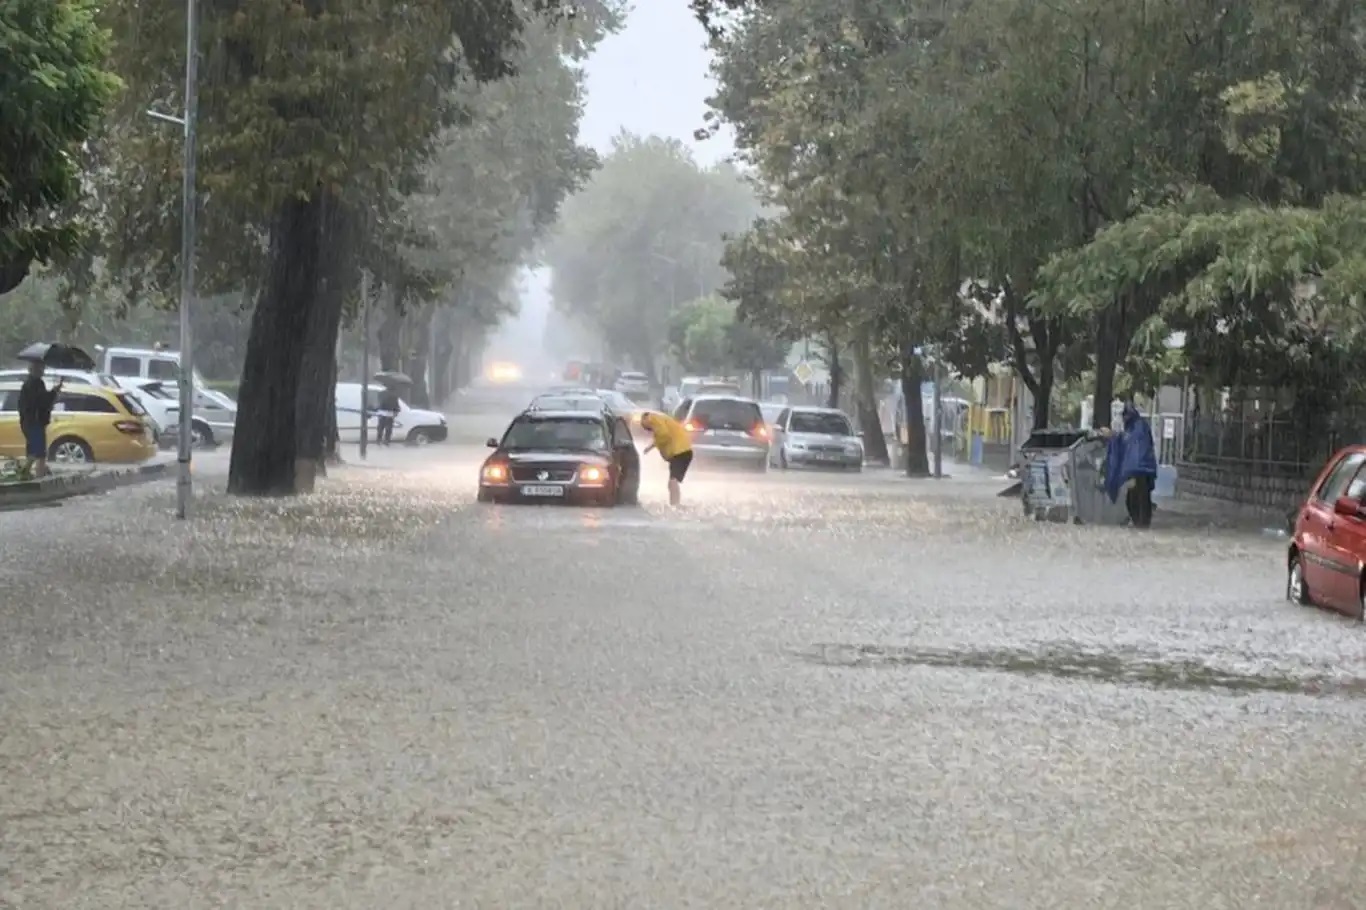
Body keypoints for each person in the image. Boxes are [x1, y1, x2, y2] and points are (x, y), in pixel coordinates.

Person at [1104, 402, 1158, 528]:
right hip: (1144, 468)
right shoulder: (1141, 427)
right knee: (1140, 497)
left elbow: (1126, 442)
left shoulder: (1135, 428)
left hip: (1136, 469)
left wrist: (1112, 436)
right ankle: (1142, 522)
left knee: (1135, 497)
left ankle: (1141, 523)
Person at [640, 411, 693, 506]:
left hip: (680, 452)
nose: (647, 430)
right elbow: (664, 435)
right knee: (672, 482)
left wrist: (653, 445)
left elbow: (664, 435)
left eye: (645, 426)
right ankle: (675, 504)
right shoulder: (660, 420)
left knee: (672, 482)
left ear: (645, 418)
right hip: (682, 452)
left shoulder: (652, 419)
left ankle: (675, 506)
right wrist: (652, 447)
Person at [18, 362, 62, 477]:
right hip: (34, 422)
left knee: (33, 452)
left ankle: (25, 473)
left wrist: (53, 393)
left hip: (29, 422)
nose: (42, 371)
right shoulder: (34, 384)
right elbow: (42, 401)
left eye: (42, 368)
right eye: (40, 369)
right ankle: (38, 477)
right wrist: (54, 392)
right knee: (40, 454)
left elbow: (41, 401)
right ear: (33, 370)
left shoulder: (31, 384)